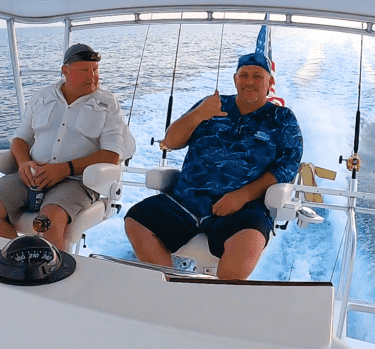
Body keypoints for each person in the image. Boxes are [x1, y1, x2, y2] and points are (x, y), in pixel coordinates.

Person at [125, 51, 303, 280]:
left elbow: (288, 166)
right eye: (244, 75)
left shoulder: (283, 119)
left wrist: (243, 196)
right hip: (186, 200)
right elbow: (171, 142)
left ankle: (218, 297)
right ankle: (170, 286)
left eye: (258, 76)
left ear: (270, 82)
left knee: (248, 243)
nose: (249, 81)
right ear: (235, 79)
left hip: (243, 207)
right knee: (136, 220)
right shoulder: (211, 105)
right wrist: (199, 114)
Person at [0, 43, 135, 250]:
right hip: (33, 174)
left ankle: (51, 268)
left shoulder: (107, 104)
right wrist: (23, 163)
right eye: (84, 70)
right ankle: (18, 258)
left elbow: (111, 155)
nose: (92, 77)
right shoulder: (42, 97)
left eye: (95, 70)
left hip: (76, 181)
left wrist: (64, 169)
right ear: (65, 71)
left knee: (47, 222)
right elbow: (20, 139)